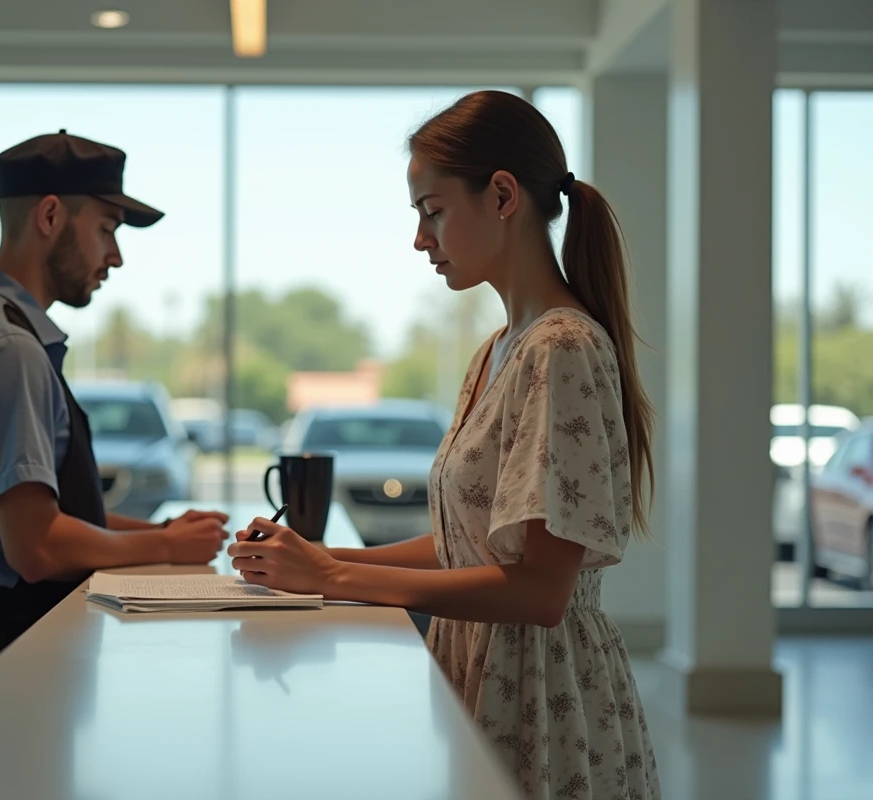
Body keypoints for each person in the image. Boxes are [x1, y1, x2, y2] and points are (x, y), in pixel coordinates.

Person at [227, 91, 661, 799]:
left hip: (540, 690)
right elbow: (473, 543)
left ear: (502, 196)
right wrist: (316, 558)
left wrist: (333, 578)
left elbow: (540, 591)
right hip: (484, 666)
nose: (420, 239)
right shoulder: (500, 348)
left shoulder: (562, 349)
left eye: (431, 212)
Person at [0, 130, 230, 736]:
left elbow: (35, 510)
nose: (115, 256)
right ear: (49, 216)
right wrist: (168, 548)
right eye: (106, 229)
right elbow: (36, 546)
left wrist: (163, 530)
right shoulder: (8, 348)